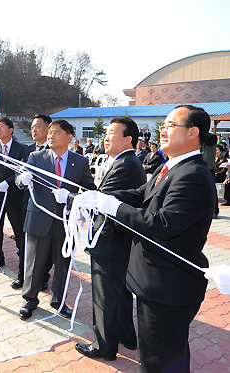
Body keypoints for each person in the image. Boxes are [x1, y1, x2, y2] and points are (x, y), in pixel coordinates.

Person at [90, 105, 215, 372]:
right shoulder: (171, 167)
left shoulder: (193, 175)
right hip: (156, 284)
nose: (163, 130)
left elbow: (162, 224)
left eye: (171, 125)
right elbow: (140, 195)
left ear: (193, 133)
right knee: (164, 355)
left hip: (169, 287)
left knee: (159, 360)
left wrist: (113, 208)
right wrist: (101, 198)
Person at [74, 117, 146, 361]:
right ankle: (126, 335)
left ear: (128, 139)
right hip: (119, 241)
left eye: (112, 132)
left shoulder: (126, 164)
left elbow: (101, 201)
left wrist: (71, 198)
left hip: (111, 241)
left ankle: (104, 346)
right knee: (121, 293)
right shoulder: (125, 161)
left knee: (105, 295)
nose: (105, 137)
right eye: (105, 132)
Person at [16, 119, 95, 320]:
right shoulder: (36, 157)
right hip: (39, 219)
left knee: (63, 263)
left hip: (66, 222)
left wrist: (71, 199)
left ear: (69, 137)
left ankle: (58, 300)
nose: (50, 135)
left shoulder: (81, 162)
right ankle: (30, 299)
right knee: (34, 263)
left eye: (56, 132)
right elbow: (20, 177)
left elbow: (89, 191)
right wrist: (22, 180)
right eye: (49, 132)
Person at [15, 114, 52, 290]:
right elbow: (17, 174)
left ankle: (43, 276)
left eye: (37, 126)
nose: (33, 130)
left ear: (49, 129)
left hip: (49, 206)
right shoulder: (27, 150)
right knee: (25, 242)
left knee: (47, 244)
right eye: (32, 126)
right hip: (28, 205)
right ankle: (22, 275)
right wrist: (21, 179)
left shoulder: (56, 151)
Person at [0, 117, 25, 273]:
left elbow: (21, 169)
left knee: (18, 229)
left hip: (14, 196)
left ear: (11, 130)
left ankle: (23, 259)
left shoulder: (21, 148)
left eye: (1, 126)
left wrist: (8, 182)